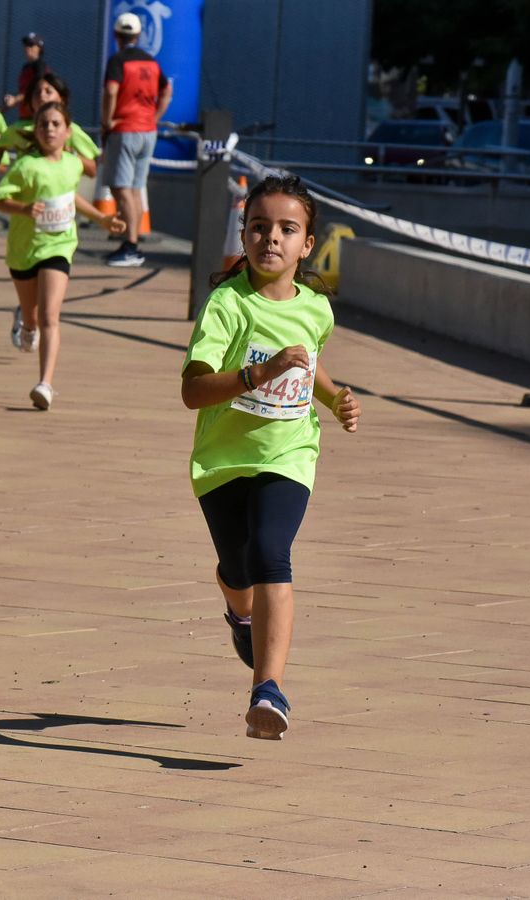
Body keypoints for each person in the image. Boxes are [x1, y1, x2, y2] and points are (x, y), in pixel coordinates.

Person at [180, 174, 362, 741]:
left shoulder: (316, 307)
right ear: (244, 233)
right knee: (237, 570)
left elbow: (307, 362)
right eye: (259, 227)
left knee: (270, 552)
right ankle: (240, 615)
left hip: (290, 453)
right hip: (222, 463)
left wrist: (332, 398)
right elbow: (193, 391)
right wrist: (260, 372)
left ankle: (268, 690)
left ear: (308, 244)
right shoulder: (227, 305)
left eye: (287, 229)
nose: (271, 239)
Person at [0, 102, 125, 410]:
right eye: (43, 124)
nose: (49, 129)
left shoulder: (73, 164)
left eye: (55, 124)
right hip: (24, 250)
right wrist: (24, 208)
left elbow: (71, 197)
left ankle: (45, 384)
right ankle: (26, 325)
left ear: (68, 131)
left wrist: (103, 219)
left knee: (50, 315)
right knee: (33, 315)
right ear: (36, 131)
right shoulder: (26, 166)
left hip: (59, 246)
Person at [101, 12, 172, 267]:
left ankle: (131, 244)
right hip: (147, 130)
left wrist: (107, 120)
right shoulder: (151, 62)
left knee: (122, 188)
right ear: (138, 35)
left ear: (117, 36)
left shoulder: (118, 60)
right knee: (135, 187)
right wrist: (154, 117)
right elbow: (167, 90)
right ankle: (132, 242)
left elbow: (111, 90)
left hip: (125, 128)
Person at [0, 71, 99, 183]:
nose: (41, 95)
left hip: (57, 194)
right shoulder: (19, 129)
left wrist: (68, 153)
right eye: (37, 92)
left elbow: (92, 170)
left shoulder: (69, 130)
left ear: (62, 99)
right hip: (25, 196)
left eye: (48, 91)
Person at [5, 33, 46, 120]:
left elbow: (37, 89)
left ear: (39, 48)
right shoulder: (26, 67)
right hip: (25, 116)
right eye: (26, 45)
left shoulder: (40, 66)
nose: (27, 48)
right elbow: (24, 90)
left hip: (36, 118)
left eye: (31, 45)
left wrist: (16, 99)